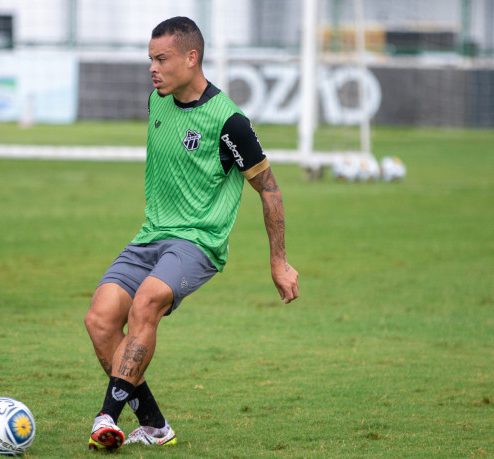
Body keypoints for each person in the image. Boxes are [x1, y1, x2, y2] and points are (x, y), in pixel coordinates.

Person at [84, 16, 300, 450]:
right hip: (150, 236)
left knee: (144, 305)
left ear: (191, 57)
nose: (153, 68)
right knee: (100, 320)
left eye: (161, 59)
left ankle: (106, 416)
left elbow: (271, 190)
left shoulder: (229, 123)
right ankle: (155, 425)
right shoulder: (156, 102)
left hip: (197, 244)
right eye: (150, 59)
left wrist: (278, 260)